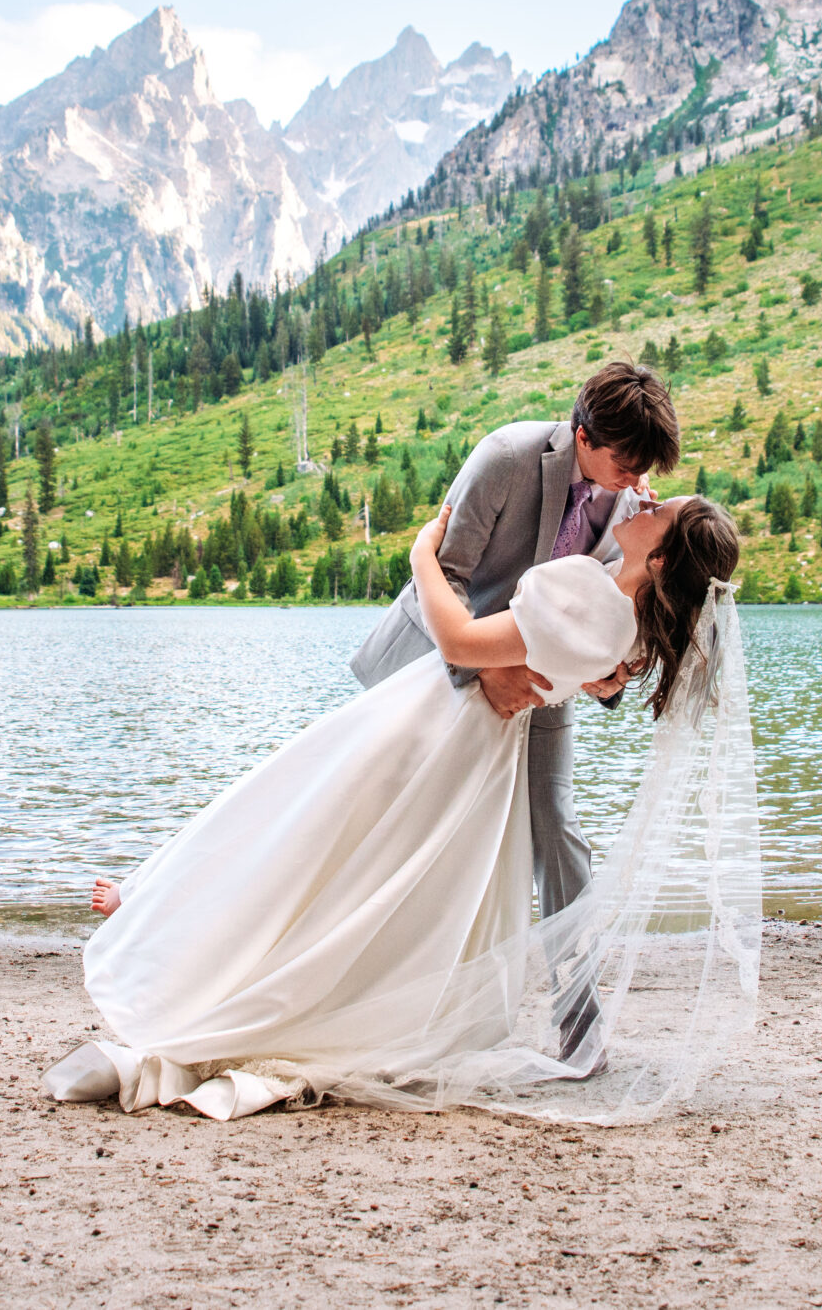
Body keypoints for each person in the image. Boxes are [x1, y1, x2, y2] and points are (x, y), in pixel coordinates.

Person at [43, 487, 751, 1124]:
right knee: (356, 863)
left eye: (660, 512)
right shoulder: (621, 624)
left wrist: (423, 558)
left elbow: (460, 640)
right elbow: (579, 651)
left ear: (659, 559)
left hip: (440, 725)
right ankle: (188, 920)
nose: (646, 501)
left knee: (304, 831)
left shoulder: (595, 604)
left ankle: (202, 955)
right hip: (483, 749)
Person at [349, 362, 680, 922]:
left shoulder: (632, 502)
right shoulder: (505, 456)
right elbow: (447, 570)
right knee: (387, 821)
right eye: (625, 466)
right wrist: (483, 669)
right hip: (434, 667)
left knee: (556, 825)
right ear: (583, 436)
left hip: (540, 685)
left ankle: (580, 1007)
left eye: (642, 469)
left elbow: (606, 610)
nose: (634, 481)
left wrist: (605, 677)